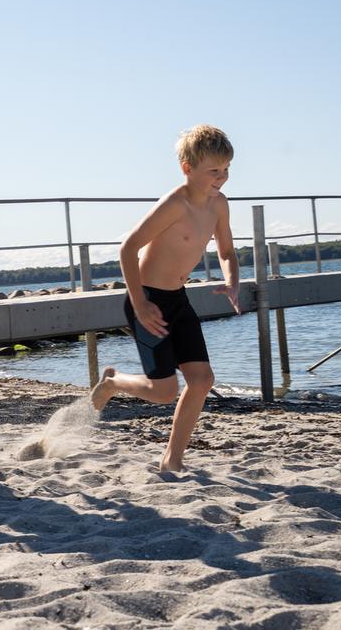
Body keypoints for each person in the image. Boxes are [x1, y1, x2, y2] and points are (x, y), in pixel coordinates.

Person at [90, 125, 242, 472]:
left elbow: (226, 251)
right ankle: (112, 383)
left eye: (226, 169)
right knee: (163, 392)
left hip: (178, 300)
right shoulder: (175, 204)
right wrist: (140, 303)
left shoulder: (219, 205)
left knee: (202, 381)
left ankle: (172, 460)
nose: (222, 177)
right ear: (187, 168)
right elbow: (128, 248)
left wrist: (232, 281)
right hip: (148, 302)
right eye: (214, 170)